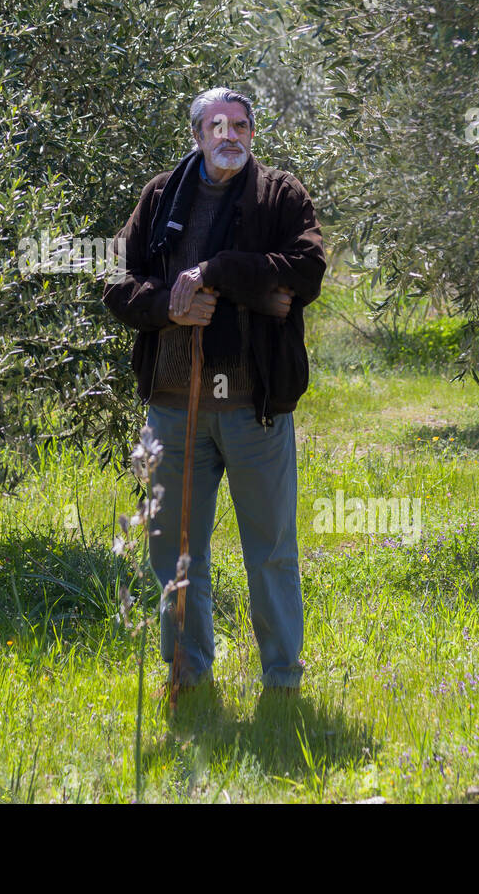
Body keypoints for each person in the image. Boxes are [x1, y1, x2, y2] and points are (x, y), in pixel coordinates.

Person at [102, 87, 326, 703]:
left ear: (252, 135)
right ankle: (188, 672)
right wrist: (171, 305)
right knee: (172, 552)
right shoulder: (160, 196)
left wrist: (222, 272)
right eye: (217, 126)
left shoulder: (280, 195)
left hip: (254, 410)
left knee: (271, 550)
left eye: (242, 126)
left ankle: (282, 683)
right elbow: (118, 285)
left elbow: (304, 271)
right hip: (174, 409)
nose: (231, 136)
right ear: (198, 135)